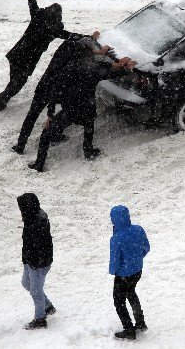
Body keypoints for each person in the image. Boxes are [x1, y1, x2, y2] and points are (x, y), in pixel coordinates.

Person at [0, 0, 86, 114]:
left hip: (16, 55)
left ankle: (2, 103)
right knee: (16, 86)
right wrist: (88, 37)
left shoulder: (38, 16)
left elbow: (32, 4)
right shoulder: (54, 29)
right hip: (26, 60)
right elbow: (70, 35)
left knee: (14, 82)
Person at [27, 46, 136, 172]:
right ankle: (88, 151)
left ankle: (39, 163)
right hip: (87, 109)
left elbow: (54, 93)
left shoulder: (67, 70)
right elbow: (107, 71)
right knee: (88, 128)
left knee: (46, 134)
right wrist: (125, 69)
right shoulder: (93, 70)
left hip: (70, 109)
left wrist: (50, 115)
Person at [11, 33, 113, 154]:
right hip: (56, 88)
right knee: (66, 113)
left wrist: (91, 39)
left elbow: (76, 42)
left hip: (47, 86)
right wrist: (100, 52)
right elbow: (86, 57)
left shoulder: (67, 48)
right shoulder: (76, 54)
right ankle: (69, 141)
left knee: (33, 115)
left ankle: (21, 145)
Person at [109, 205, 150, 340]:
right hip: (137, 271)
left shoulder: (116, 239)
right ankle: (140, 323)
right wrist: (136, 260)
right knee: (131, 293)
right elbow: (146, 248)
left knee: (119, 301)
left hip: (123, 276)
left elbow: (114, 262)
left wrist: (113, 271)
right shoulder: (138, 230)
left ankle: (129, 330)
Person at [18, 193, 56, 329]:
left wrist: (34, 263)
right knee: (26, 283)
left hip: (38, 264)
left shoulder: (37, 224)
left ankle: (40, 319)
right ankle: (47, 306)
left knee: (35, 290)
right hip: (30, 261)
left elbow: (40, 247)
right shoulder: (32, 218)